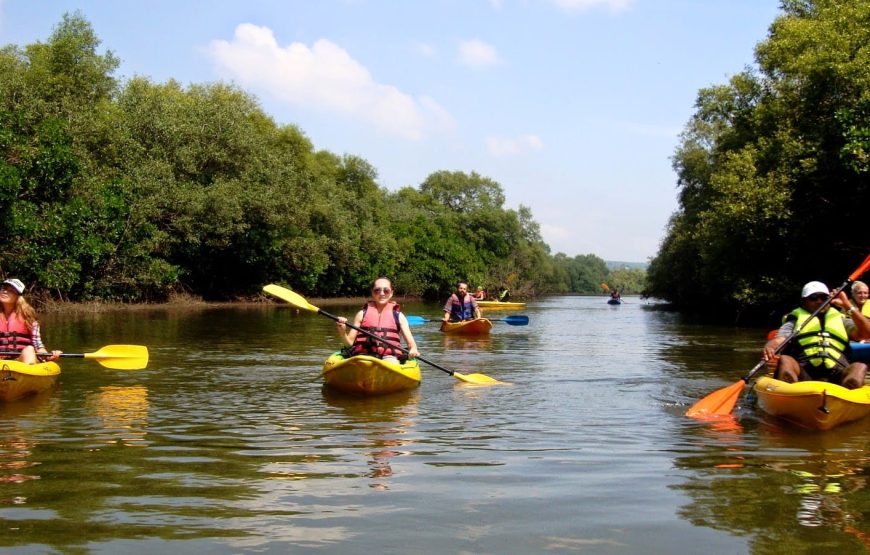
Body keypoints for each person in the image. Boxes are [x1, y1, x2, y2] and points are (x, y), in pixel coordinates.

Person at [762, 281, 870, 389]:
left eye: (824, 297)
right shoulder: (794, 320)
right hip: (804, 374)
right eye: (813, 298)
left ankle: (848, 396)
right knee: (785, 359)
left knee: (859, 366)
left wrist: (847, 305)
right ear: (804, 301)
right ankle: (790, 393)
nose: (819, 301)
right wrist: (770, 346)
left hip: (838, 375)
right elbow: (780, 339)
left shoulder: (841, 320)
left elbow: (866, 333)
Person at [335, 277, 419, 361]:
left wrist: (413, 349)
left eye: (386, 290)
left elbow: (412, 345)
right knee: (362, 361)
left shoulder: (399, 316)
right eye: (377, 290)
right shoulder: (361, 314)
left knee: (390, 361)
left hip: (389, 357)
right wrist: (342, 332)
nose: (382, 293)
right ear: (372, 292)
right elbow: (349, 344)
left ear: (391, 293)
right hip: (364, 356)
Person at [0, 278, 61, 364]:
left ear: (18, 296)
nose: (5, 291)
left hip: (21, 361)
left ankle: (27, 374)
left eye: (10, 290)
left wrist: (49, 355)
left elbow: (37, 345)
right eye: (3, 288)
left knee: (29, 350)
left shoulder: (28, 317)